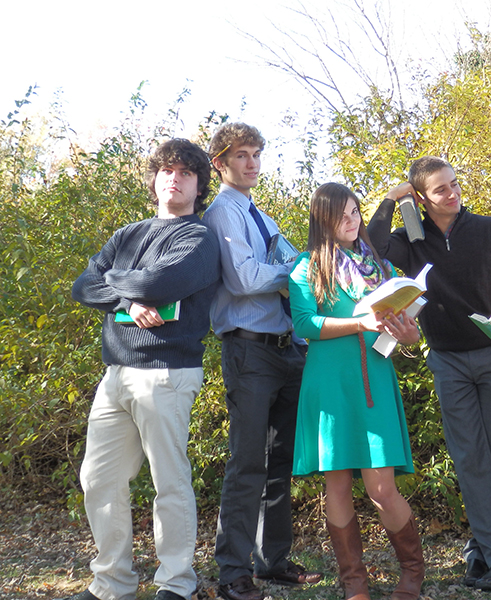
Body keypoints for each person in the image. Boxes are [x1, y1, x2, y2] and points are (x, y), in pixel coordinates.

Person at [68, 139, 221, 600]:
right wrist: (128, 300)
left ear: (198, 186)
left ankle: (176, 583)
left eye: (186, 173)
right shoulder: (128, 234)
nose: (174, 178)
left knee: (168, 482)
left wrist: (116, 285)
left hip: (167, 372)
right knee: (98, 479)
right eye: (167, 170)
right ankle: (111, 584)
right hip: (114, 374)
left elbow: (160, 282)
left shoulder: (199, 238)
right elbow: (82, 285)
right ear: (154, 179)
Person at [367, 156, 491, 591]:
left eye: (455, 184)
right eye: (440, 189)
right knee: (469, 456)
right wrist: (388, 201)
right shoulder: (409, 240)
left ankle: (483, 548)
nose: (452, 193)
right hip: (448, 360)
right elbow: (372, 248)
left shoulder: (488, 229)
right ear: (419, 198)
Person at [289, 182, 425, 600]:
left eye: (355, 212)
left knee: (382, 488)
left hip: (375, 383)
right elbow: (305, 325)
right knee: (338, 486)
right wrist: (359, 322)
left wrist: (408, 334)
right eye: (341, 215)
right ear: (323, 220)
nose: (351, 222)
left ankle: (413, 573)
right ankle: (354, 584)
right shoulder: (305, 267)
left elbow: (409, 337)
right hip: (329, 385)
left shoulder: (381, 271)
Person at [203, 123, 321, 600]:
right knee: (248, 462)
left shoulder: (262, 216)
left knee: (281, 461)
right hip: (248, 349)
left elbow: (299, 264)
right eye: (241, 155)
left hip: (286, 350)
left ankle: (272, 561)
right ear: (220, 163)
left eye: (256, 154)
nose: (251, 162)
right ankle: (233, 572)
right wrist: (294, 274)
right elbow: (247, 278)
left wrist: (307, 268)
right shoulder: (223, 214)